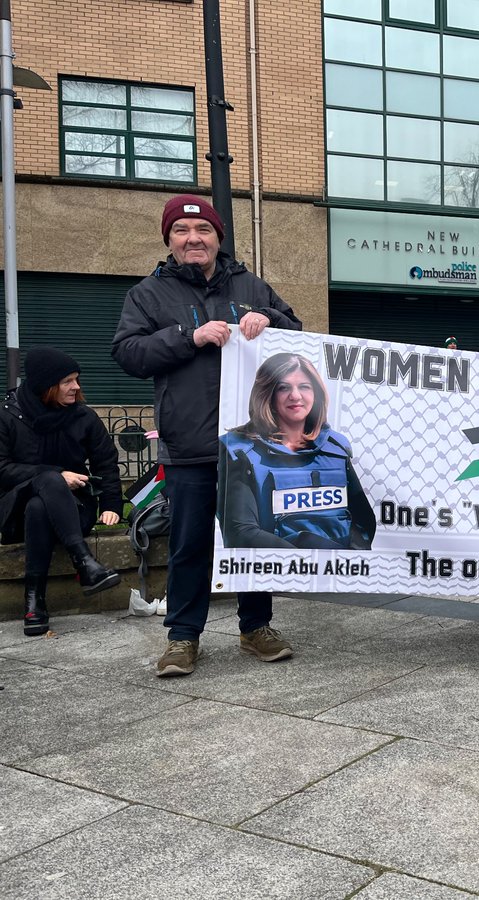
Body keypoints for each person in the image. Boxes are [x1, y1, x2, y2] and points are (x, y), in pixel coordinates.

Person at [113, 194, 302, 677]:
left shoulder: (250, 284)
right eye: (181, 231)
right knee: (190, 543)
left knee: (253, 536)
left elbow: (297, 332)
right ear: (169, 239)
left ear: (219, 238)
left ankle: (255, 627)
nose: (193, 239)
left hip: (252, 443)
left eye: (203, 232)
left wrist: (272, 320)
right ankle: (182, 637)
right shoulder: (147, 294)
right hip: (190, 445)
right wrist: (188, 337)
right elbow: (128, 353)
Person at [1, 348, 122, 636]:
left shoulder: (83, 416)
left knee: (40, 508)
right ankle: (85, 563)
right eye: (68, 381)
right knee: (47, 485)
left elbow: (106, 460)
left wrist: (111, 503)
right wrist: (54, 474)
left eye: (77, 379)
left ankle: (34, 604)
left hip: (74, 509)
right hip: (17, 511)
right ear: (46, 385)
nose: (76, 387)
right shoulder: (7, 416)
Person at [218, 353, 375, 550]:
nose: (295, 396)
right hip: (274, 575)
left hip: (337, 575)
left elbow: (364, 523)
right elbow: (240, 533)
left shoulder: (337, 447)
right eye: (283, 388)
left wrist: (342, 564)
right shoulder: (238, 450)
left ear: (316, 393)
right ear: (267, 394)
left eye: (304, 387)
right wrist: (307, 562)